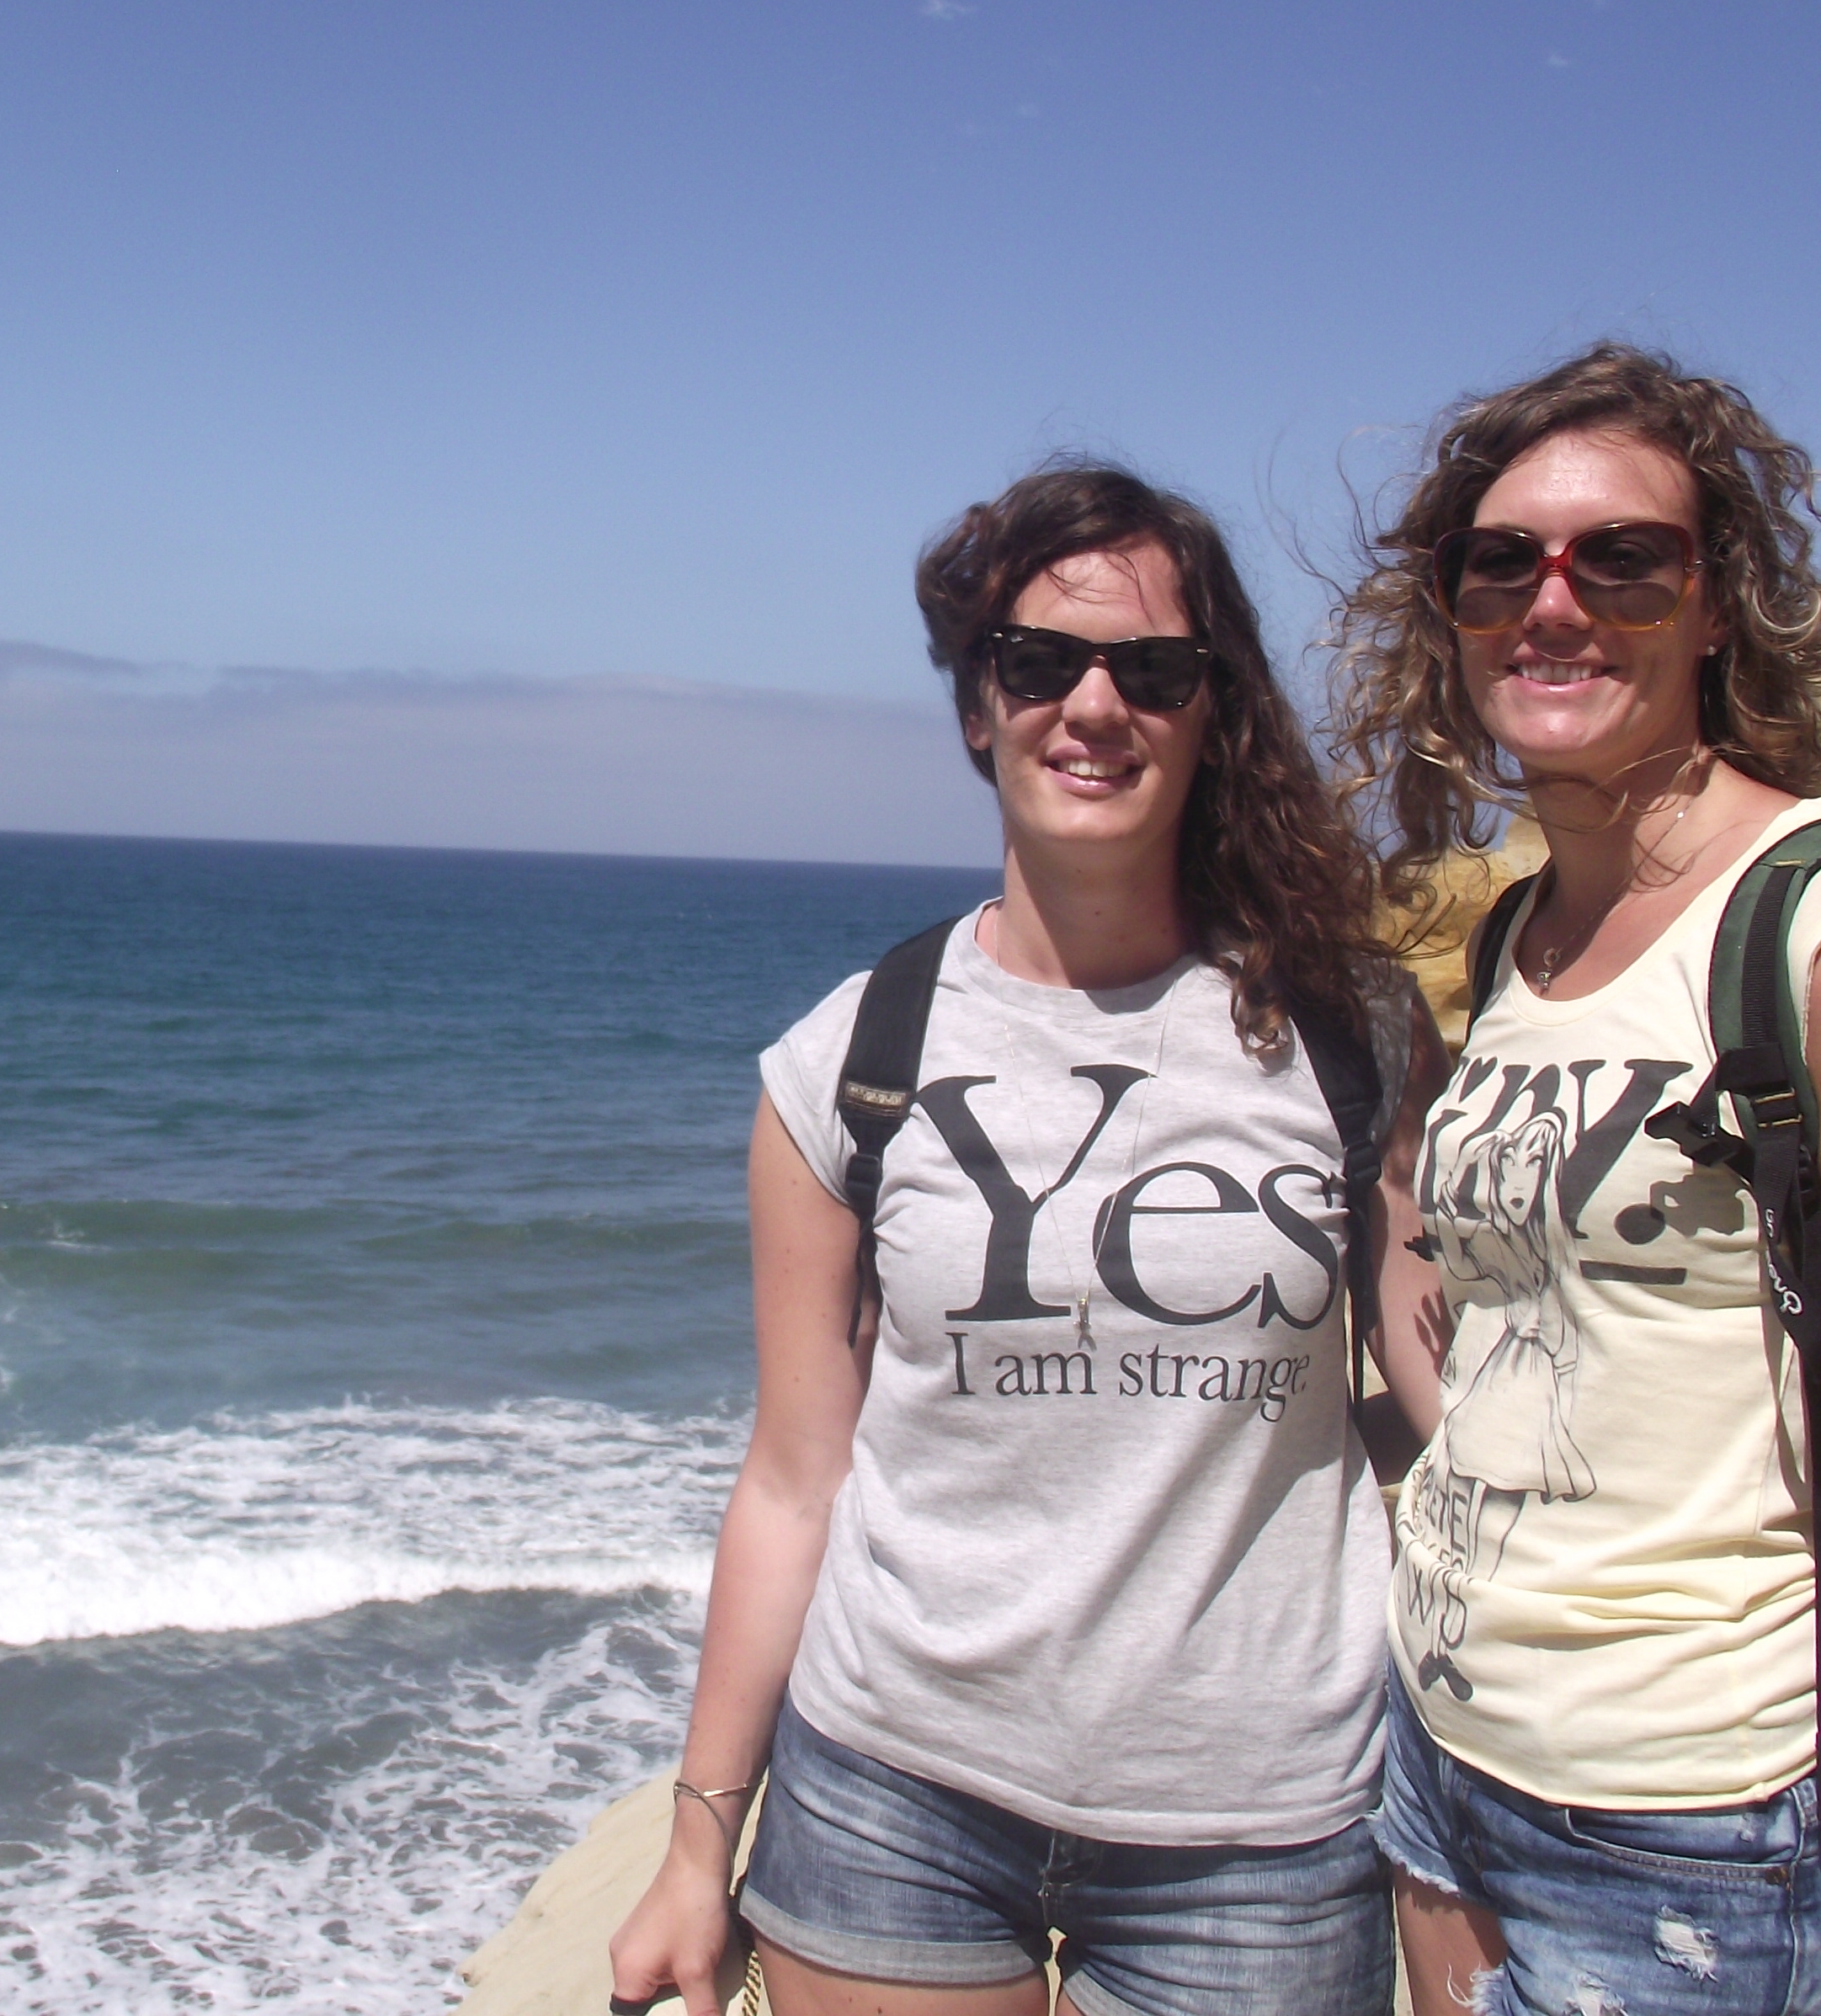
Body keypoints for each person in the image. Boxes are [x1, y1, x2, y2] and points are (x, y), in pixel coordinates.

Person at [1334, 345, 1821, 2016]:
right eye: (1498, 563)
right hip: (1446, 1763)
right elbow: (1513, 1329)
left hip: (1705, 1830)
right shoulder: (1525, 933)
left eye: (1621, 559)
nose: (1552, 604)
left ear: (1715, 607)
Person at [607, 465, 1441, 2016]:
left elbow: (1461, 1409)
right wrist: (697, 1838)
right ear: (977, 707)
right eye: (1042, 661)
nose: (1095, 705)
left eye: (1155, 670)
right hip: (892, 1795)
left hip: (1261, 1828)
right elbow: (795, 1475)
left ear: (1213, 711)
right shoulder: (849, 1062)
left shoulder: (1356, 1037)